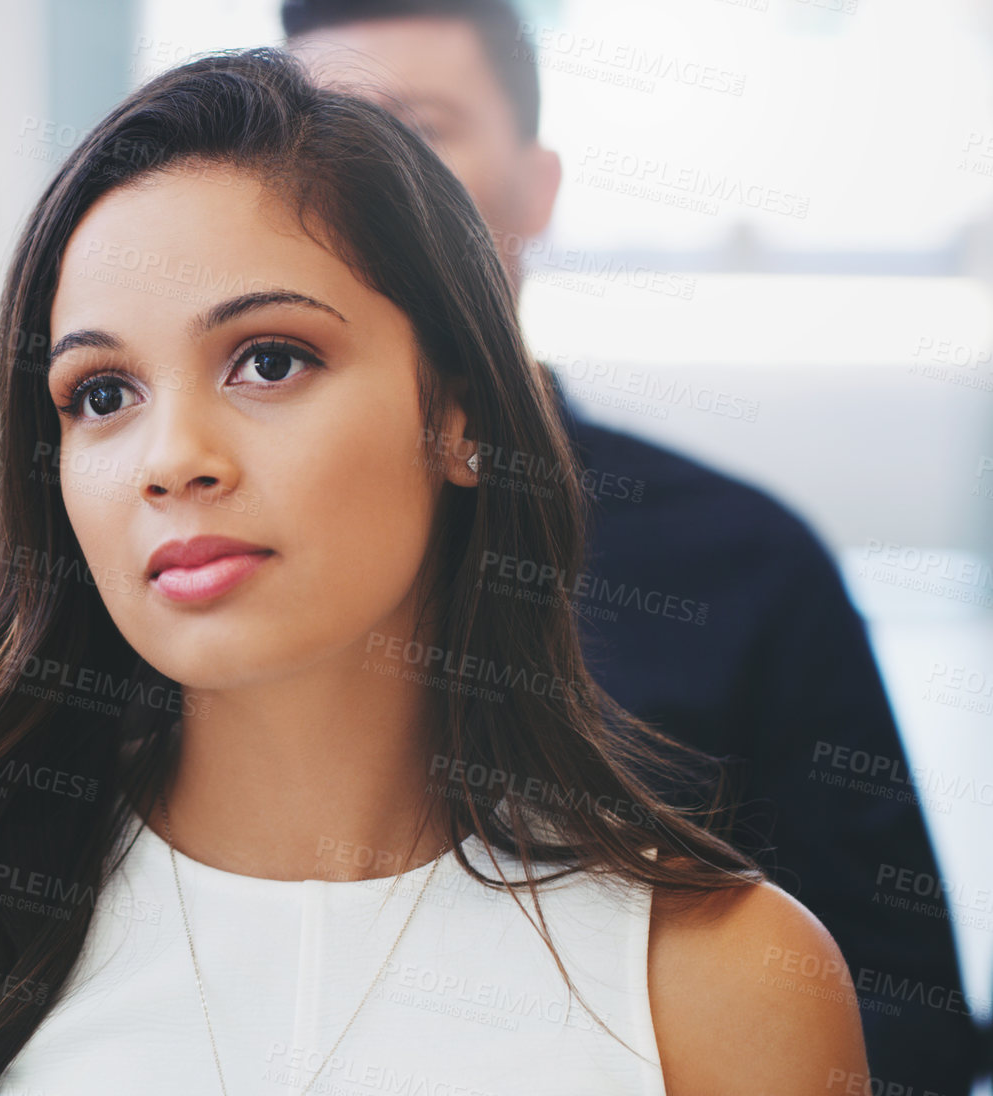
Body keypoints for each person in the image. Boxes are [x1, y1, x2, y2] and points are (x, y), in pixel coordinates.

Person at [0, 48, 868, 1095]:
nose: (171, 459)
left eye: (268, 360)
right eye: (100, 394)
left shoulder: (727, 985)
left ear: (463, 411)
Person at [282, 1, 980, 1090]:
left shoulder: (742, 561)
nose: (368, 187)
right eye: (323, 138)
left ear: (536, 187)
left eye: (418, 128)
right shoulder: (202, 557)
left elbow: (905, 1008)